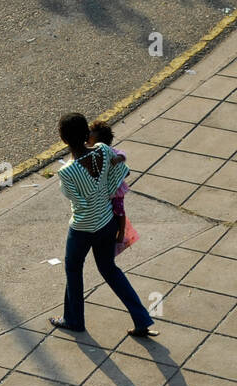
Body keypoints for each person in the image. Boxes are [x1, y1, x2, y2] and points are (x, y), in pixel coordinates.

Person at [49, 112, 157, 337]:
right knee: (110, 270)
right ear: (87, 133)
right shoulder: (104, 150)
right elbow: (118, 177)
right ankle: (141, 318)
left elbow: (77, 200)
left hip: (82, 228)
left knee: (73, 269)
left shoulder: (67, 171)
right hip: (107, 222)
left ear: (63, 139)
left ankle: (74, 319)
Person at [87, 120, 137, 255]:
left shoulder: (110, 152)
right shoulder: (93, 154)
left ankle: (121, 232)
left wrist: (118, 159)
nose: (87, 143)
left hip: (116, 189)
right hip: (107, 190)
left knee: (119, 210)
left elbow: (122, 154)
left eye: (90, 141)